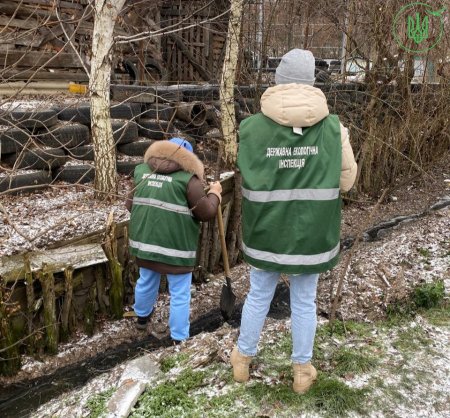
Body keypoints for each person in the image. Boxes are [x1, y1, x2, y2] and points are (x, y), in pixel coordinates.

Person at [231, 49, 357, 393]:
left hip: (266, 229)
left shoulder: (251, 128)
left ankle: (242, 360)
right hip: (312, 232)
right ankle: (302, 371)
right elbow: (347, 181)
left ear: (278, 80)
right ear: (312, 82)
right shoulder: (334, 129)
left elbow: (248, 170)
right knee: (303, 301)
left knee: (259, 295)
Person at [126, 137, 222, 343]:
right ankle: (179, 338)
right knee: (179, 293)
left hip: (145, 244)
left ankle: (141, 318)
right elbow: (206, 212)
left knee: (146, 280)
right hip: (176, 249)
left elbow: (129, 205)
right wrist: (215, 194)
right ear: (188, 158)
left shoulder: (141, 172)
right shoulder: (188, 180)